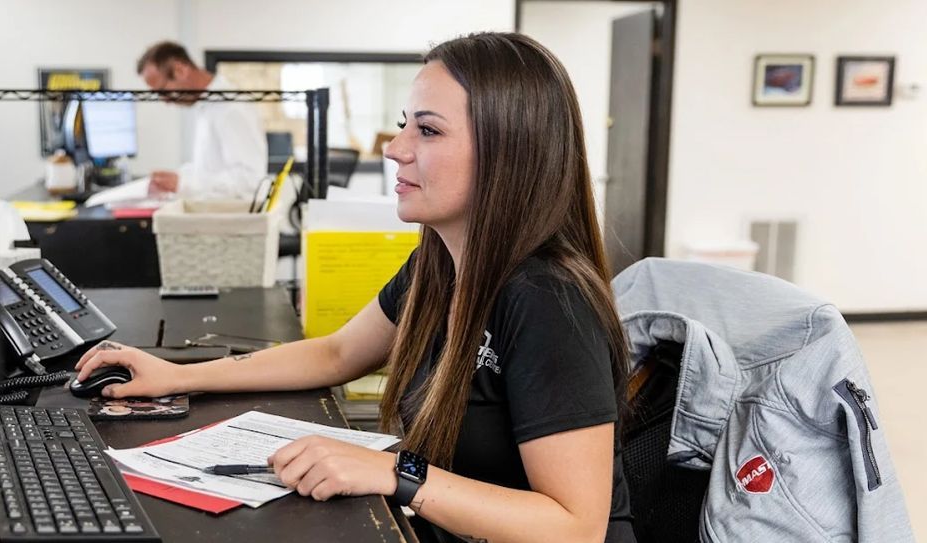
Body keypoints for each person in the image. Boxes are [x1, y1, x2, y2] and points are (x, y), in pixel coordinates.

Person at [81, 32, 635, 543]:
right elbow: (338, 352)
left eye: (428, 129)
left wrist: (398, 473)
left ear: (508, 150)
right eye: (404, 124)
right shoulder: (437, 266)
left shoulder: (548, 301)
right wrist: (180, 376)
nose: (395, 148)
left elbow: (575, 527)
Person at [136, 41, 267, 200]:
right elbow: (210, 169)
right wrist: (176, 178)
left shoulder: (231, 107)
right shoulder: (208, 107)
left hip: (233, 221)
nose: (165, 101)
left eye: (163, 91)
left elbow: (250, 180)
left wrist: (183, 183)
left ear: (180, 70)